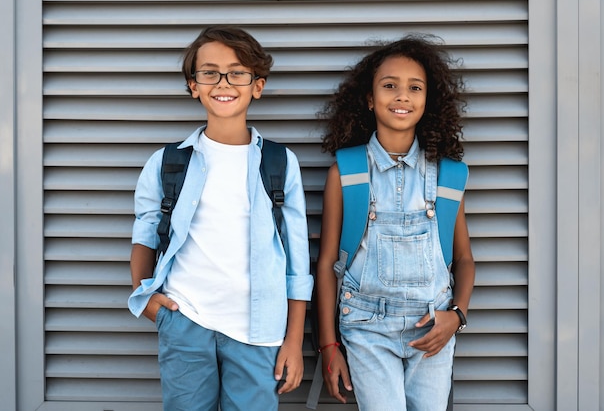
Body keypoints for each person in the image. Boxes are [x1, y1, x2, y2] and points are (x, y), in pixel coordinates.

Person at [128, 25, 313, 411]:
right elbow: (145, 235)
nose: (223, 82)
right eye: (209, 72)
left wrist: (293, 341)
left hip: (258, 332)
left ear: (257, 86)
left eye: (237, 73)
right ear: (193, 85)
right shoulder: (168, 163)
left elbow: (297, 263)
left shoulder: (279, 164)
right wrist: (147, 301)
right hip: (185, 321)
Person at [315, 34, 475, 411]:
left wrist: (457, 317)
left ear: (427, 100)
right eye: (390, 86)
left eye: (414, 87)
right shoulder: (349, 171)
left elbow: (464, 259)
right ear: (370, 99)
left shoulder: (449, 176)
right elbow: (326, 265)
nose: (402, 96)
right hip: (367, 329)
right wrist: (328, 346)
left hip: (433, 329)